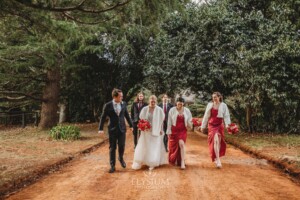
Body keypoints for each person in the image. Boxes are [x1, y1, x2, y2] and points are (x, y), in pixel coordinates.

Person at [98, 88, 133, 173]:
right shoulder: (108, 105)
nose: (122, 97)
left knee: (122, 146)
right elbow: (103, 117)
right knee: (112, 148)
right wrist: (100, 128)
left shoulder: (124, 104)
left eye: (122, 96)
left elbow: (127, 116)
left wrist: (131, 125)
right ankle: (112, 166)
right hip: (112, 129)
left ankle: (120, 157)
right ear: (115, 96)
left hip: (122, 129)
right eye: (120, 96)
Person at [132, 95, 168, 170]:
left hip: (156, 130)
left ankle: (152, 162)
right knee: (145, 145)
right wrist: (143, 126)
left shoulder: (159, 110)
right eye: (151, 101)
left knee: (154, 146)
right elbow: (141, 119)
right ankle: (142, 160)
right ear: (149, 101)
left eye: (154, 101)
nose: (153, 102)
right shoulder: (145, 109)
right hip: (146, 131)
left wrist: (161, 129)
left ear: (156, 101)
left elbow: (161, 121)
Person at [200, 92, 231, 168]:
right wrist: (203, 126)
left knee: (219, 142)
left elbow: (226, 116)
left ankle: (217, 157)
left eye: (215, 97)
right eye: (213, 97)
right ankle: (218, 160)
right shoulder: (210, 105)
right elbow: (206, 116)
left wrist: (227, 125)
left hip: (220, 125)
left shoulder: (223, 105)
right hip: (212, 125)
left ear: (219, 97)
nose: (214, 99)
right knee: (215, 140)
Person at [167, 97, 192, 169]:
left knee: (181, 144)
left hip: (182, 131)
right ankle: (175, 160)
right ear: (176, 102)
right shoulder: (172, 110)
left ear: (183, 103)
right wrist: (168, 131)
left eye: (181, 102)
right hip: (174, 130)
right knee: (173, 147)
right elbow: (169, 121)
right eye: (178, 102)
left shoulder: (187, 110)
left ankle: (182, 162)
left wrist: (190, 124)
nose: (180, 103)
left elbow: (190, 119)